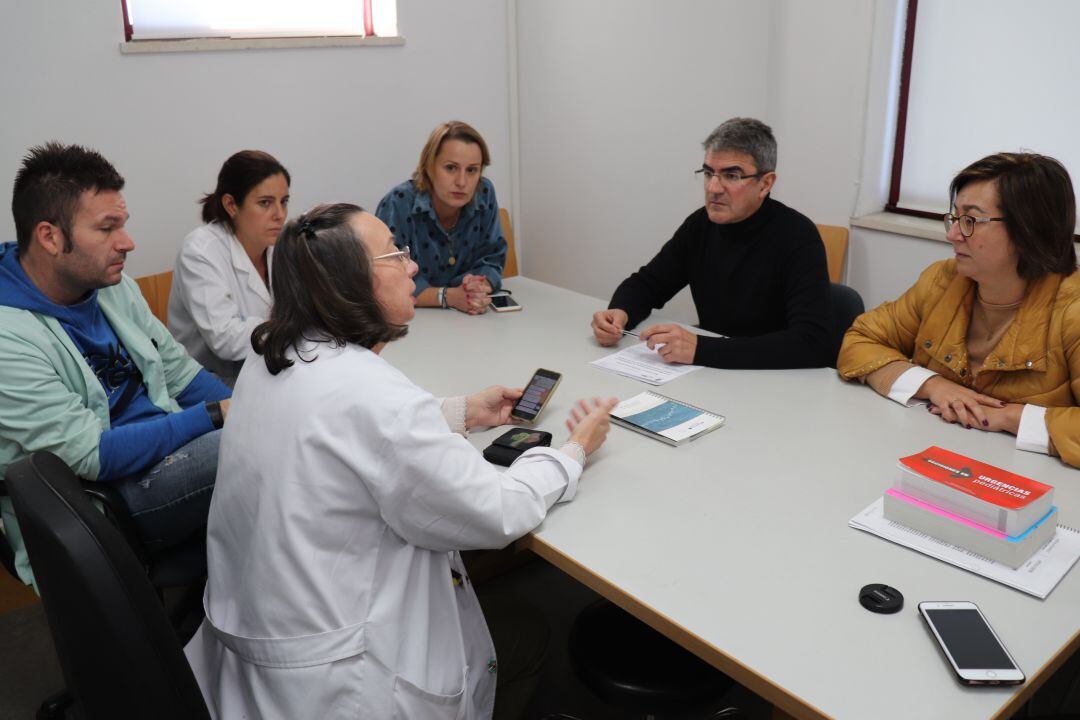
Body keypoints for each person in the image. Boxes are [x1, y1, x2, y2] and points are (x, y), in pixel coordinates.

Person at [184, 203, 617, 719]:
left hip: (262, 654)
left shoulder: (271, 353)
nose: (413, 267)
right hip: (348, 687)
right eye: (396, 255)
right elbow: (497, 509)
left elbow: (337, 430)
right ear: (350, 284)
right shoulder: (376, 398)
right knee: (529, 632)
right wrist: (571, 453)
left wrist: (461, 413)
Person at [0, 142, 232, 585]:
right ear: (50, 237)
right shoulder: (7, 338)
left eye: (122, 224)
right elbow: (90, 455)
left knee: (276, 427)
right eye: (107, 228)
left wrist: (249, 408)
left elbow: (181, 374)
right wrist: (219, 416)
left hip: (164, 449)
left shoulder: (109, 283)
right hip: (102, 500)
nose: (127, 243)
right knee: (255, 450)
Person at [838, 152, 1080, 467]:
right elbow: (859, 340)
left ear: (1028, 230)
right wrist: (932, 385)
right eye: (954, 218)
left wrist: (1013, 418)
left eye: (970, 221)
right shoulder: (944, 279)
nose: (952, 234)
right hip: (937, 459)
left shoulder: (1072, 309)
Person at [591, 117, 833, 369]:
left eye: (731, 175)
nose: (714, 188)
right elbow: (649, 283)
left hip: (777, 381)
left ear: (765, 183)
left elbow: (811, 343)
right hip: (714, 373)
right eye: (708, 173)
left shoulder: (797, 235)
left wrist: (701, 349)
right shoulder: (701, 225)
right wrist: (619, 313)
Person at [169, 150, 290, 386]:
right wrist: (296, 326)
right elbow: (227, 340)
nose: (279, 215)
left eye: (284, 202)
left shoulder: (281, 245)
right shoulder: (201, 250)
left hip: (272, 371)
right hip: (213, 385)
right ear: (231, 205)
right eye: (265, 203)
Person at [376, 120, 507, 315]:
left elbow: (493, 257)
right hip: (411, 322)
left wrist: (479, 285)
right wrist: (448, 296)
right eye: (451, 168)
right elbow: (387, 279)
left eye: (472, 170)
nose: (462, 182)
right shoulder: (398, 203)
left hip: (469, 324)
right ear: (429, 167)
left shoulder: (484, 192)